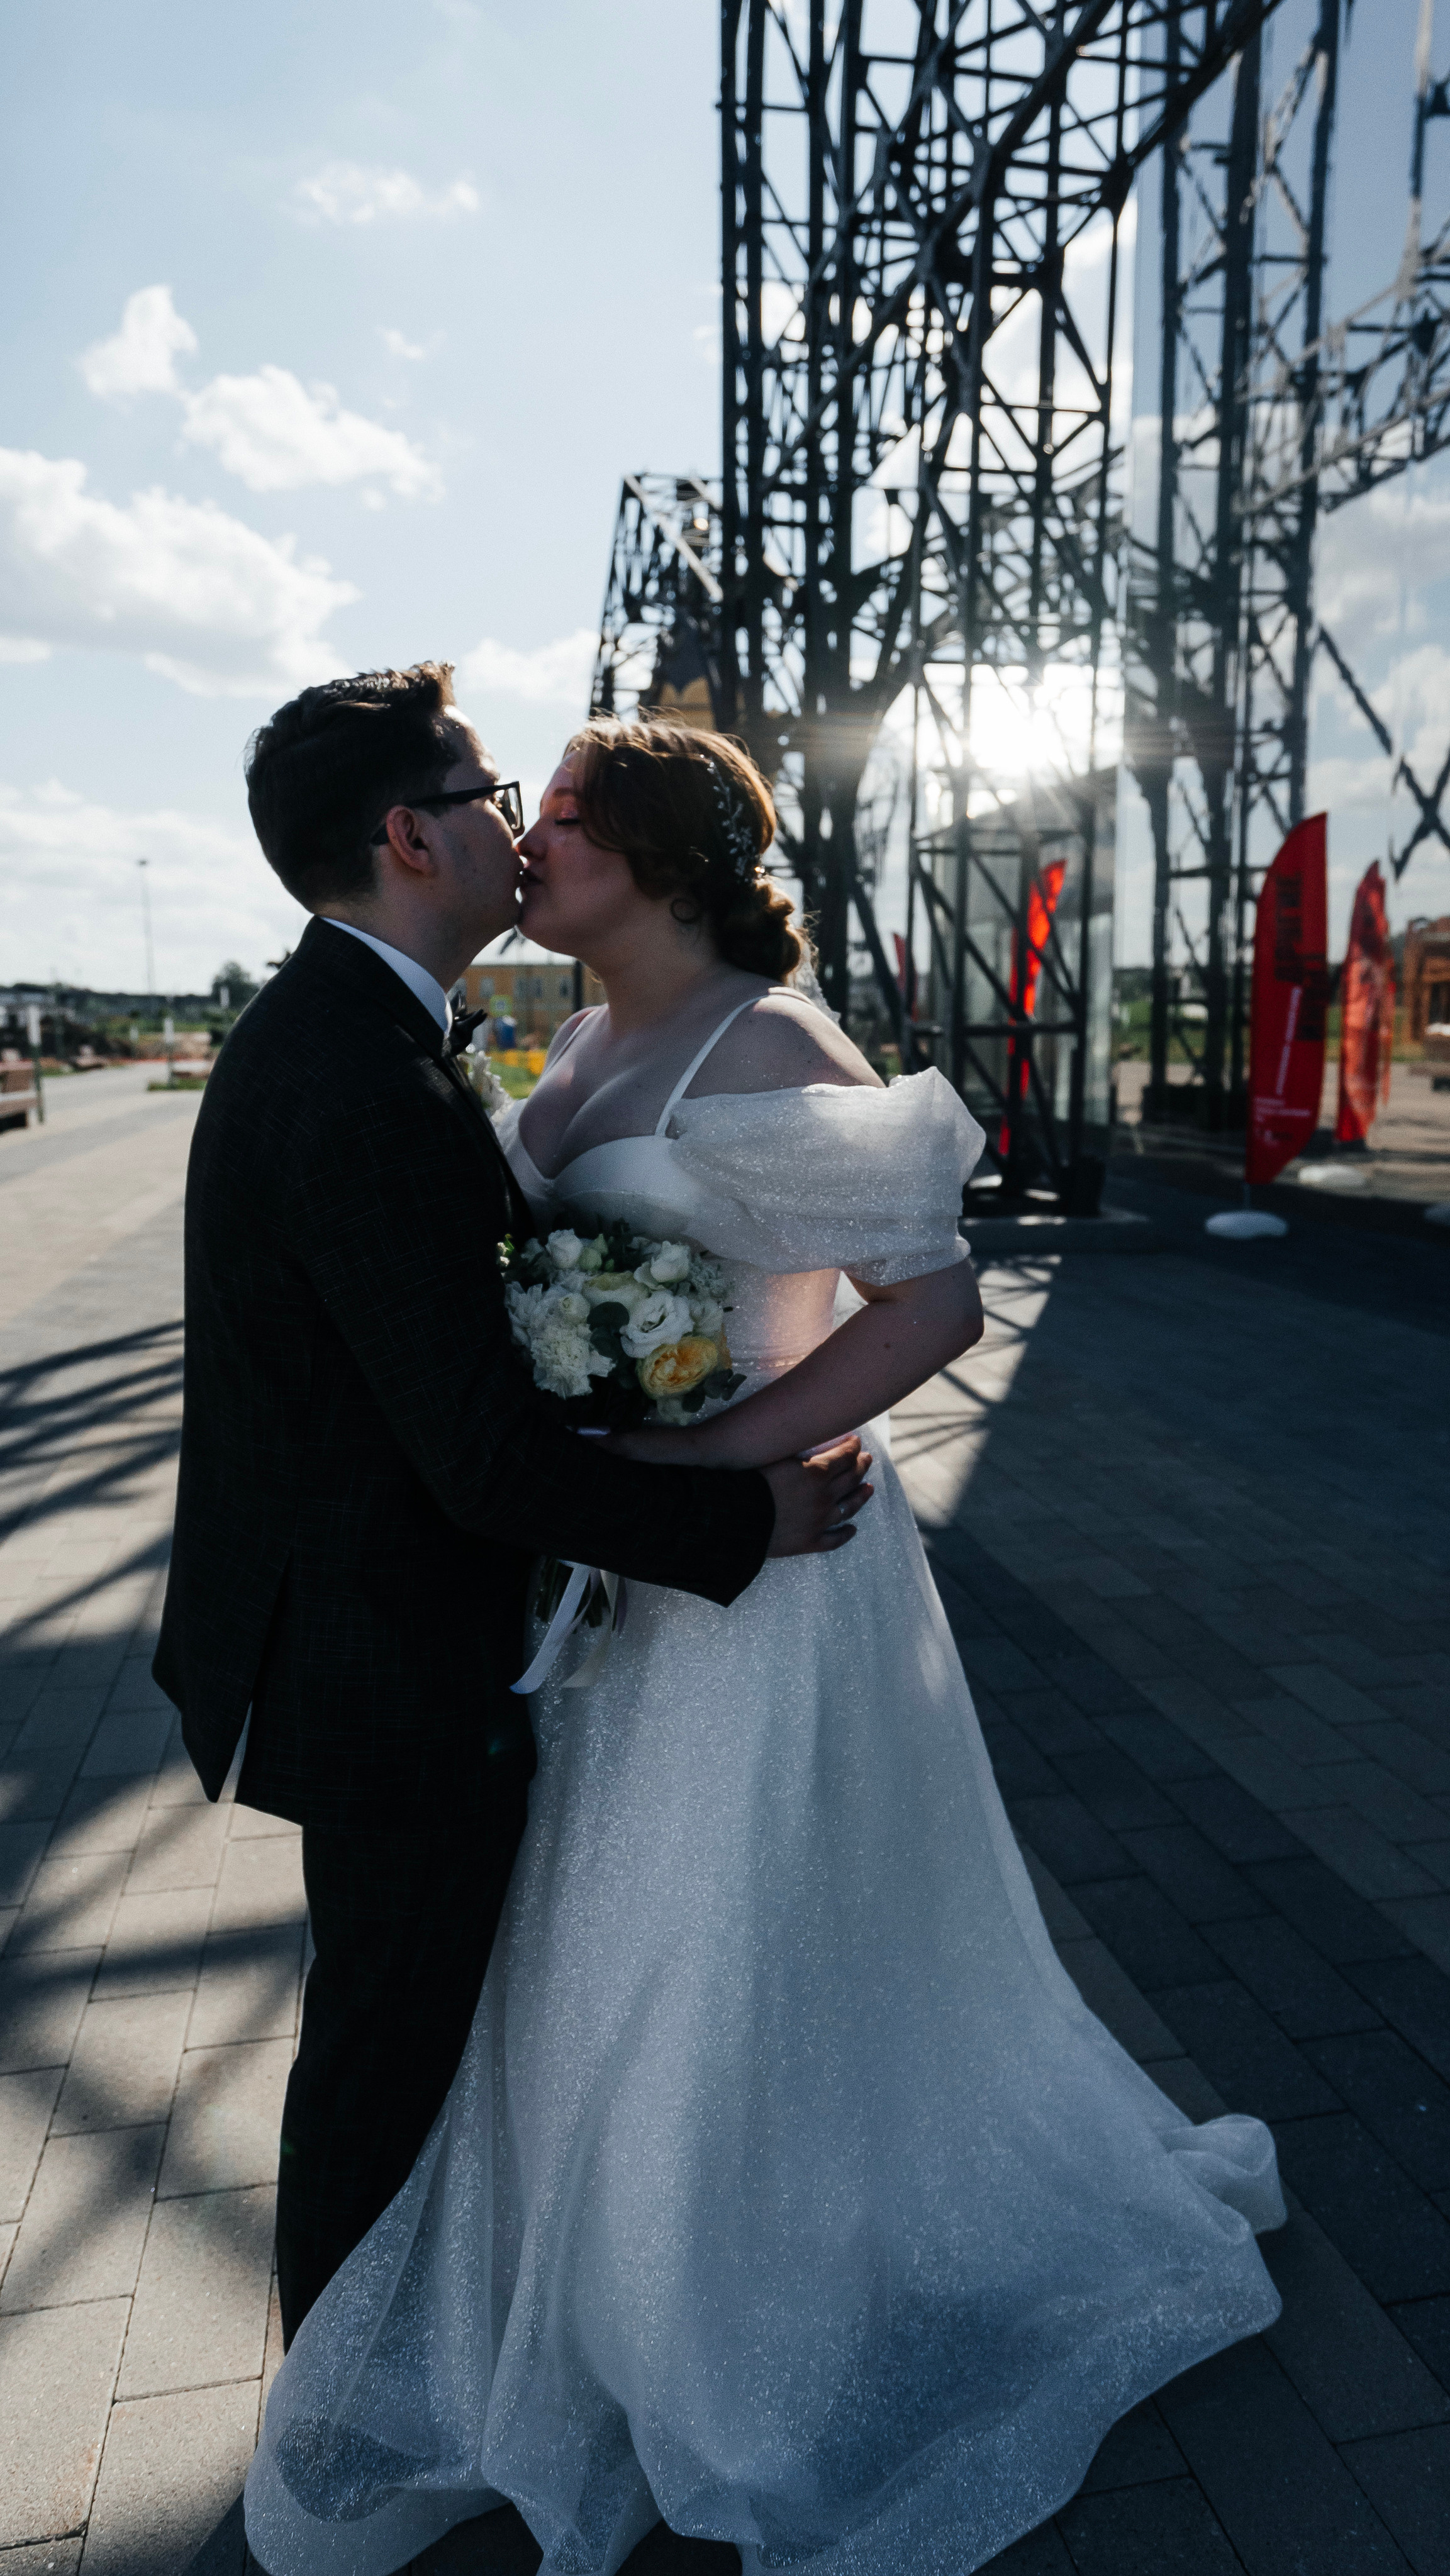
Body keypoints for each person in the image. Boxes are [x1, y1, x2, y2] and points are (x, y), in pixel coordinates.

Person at [245, 719, 1284, 2576]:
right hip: (613, 1588)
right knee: (589, 1950)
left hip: (757, 1588)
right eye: (517, 809)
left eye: (560, 816)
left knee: (705, 1950)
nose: (525, 841)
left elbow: (934, 1295)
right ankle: (599, 2296)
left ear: (655, 855)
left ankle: (719, 2334)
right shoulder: (568, 1044)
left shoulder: (769, 1044)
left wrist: (701, 1462)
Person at [152, 669, 872, 2352]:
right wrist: (735, 1519)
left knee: (411, 2031)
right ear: (409, 836)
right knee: (389, 2055)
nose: (512, 827)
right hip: (392, 1656)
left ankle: (413, 2368)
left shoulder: (361, 1034)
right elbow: (475, 1455)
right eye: (489, 796)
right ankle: (340, 2438)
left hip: (380, 1629)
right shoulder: (361, 1078)